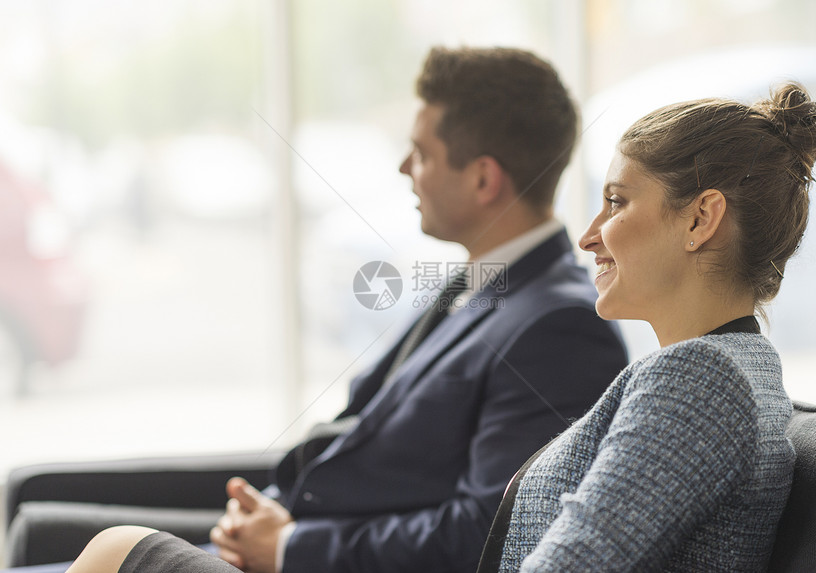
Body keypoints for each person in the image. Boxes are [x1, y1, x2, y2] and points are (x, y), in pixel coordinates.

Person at [14, 47, 627, 573]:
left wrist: (293, 545)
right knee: (32, 510)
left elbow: (487, 533)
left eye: (421, 153)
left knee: (83, 543)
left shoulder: (559, 328)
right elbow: (363, 430)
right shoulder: (481, 279)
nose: (402, 169)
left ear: (484, 179)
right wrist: (274, 518)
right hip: (300, 518)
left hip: (326, 551)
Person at [489, 83, 816, 572]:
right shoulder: (734, 372)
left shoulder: (702, 381)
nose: (589, 237)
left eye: (615, 201)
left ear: (700, 218)